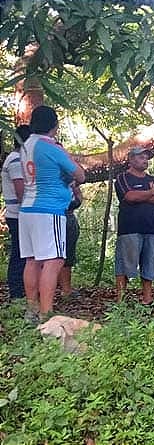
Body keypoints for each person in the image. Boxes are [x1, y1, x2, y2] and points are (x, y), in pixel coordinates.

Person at [18, 105, 86, 323]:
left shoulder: (26, 145)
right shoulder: (51, 147)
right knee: (54, 260)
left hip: (27, 208)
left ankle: (31, 308)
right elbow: (80, 174)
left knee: (32, 260)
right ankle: (46, 313)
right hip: (49, 210)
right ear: (54, 125)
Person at [114, 147, 154, 304]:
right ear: (131, 159)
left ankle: (147, 298)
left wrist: (140, 197)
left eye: (146, 157)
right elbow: (129, 196)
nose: (145, 160)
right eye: (141, 157)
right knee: (125, 262)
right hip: (130, 228)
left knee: (149, 263)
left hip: (152, 228)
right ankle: (121, 299)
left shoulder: (153, 179)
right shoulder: (123, 178)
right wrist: (150, 194)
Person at [2, 125, 30, 300]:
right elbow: (21, 192)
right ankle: (16, 294)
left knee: (23, 254)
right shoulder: (15, 160)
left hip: (19, 214)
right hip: (17, 215)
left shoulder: (18, 159)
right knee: (20, 255)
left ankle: (20, 293)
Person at [58, 183, 82, 298]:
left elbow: (76, 201)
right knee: (62, 255)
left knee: (67, 254)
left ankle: (65, 289)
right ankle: (65, 289)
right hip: (59, 213)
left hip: (67, 215)